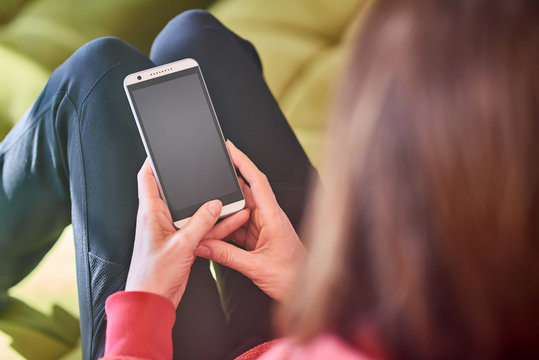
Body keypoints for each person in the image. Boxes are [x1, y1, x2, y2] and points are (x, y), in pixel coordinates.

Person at [2, 0, 539, 359]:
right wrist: (316, 288)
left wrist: (144, 302)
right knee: (195, 38)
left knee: (95, 80)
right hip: (327, 319)